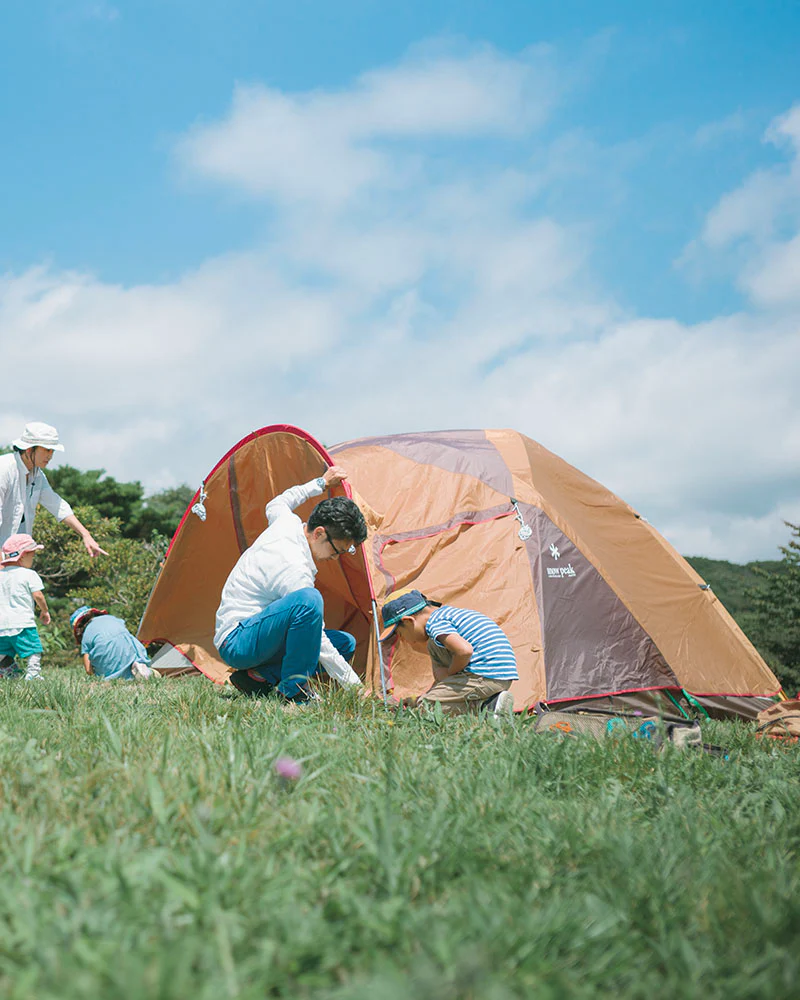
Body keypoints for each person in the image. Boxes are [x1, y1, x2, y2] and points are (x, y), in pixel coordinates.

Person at [214, 466, 368, 704]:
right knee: (309, 601)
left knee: (345, 643)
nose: (336, 558)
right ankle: (294, 691)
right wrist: (355, 688)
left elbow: (277, 502)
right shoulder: (293, 566)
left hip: (260, 636)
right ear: (318, 533)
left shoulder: (287, 522)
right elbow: (320, 643)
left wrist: (321, 483)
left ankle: (258, 677)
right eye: (337, 550)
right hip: (237, 640)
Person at [379, 589, 518, 716]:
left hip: (484, 674)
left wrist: (451, 672)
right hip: (501, 674)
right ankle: (493, 702)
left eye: (400, 634)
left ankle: (485, 708)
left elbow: (464, 651)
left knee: (427, 708)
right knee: (434, 647)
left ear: (408, 621)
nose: (403, 640)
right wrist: (423, 696)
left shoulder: (435, 624)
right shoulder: (447, 616)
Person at [0, 421, 108, 557]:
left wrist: (86, 535)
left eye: (52, 450)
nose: (50, 455)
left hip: (17, 557)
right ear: (29, 449)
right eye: (46, 450)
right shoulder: (4, 469)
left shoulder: (37, 476)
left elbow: (58, 505)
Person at [0, 533, 50, 681]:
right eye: (32, 556)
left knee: (3, 651)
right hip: (23, 623)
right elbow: (38, 596)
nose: (33, 560)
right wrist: (45, 611)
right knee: (33, 650)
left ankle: (7, 673)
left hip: (1, 625)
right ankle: (33, 674)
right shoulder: (29, 574)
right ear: (22, 555)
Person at [70, 606, 154, 681]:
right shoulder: (111, 618)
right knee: (129, 639)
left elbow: (88, 669)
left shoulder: (87, 634)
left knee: (109, 670)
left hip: (109, 664)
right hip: (130, 653)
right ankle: (141, 667)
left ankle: (118, 674)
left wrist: (95, 675)